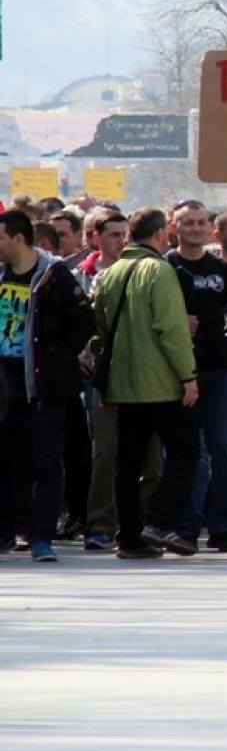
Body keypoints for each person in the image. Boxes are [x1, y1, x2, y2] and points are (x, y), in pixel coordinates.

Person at [92, 207, 201, 560]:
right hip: (161, 382)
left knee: (129, 462)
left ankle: (130, 538)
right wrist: (188, 375)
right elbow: (171, 329)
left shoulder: (111, 273)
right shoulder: (159, 270)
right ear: (158, 236)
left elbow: (102, 332)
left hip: (124, 384)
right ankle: (158, 520)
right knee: (185, 452)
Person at [0, 208, 93, 562]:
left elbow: (85, 321)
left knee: (46, 463)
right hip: (4, 385)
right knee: (8, 461)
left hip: (43, 387)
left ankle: (42, 537)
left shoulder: (53, 277)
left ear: (18, 239)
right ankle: (9, 531)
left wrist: (58, 357)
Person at [165, 202, 227, 552]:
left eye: (200, 223)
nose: (195, 228)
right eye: (188, 223)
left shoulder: (222, 271)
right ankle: (186, 529)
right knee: (191, 453)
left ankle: (224, 527)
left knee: (225, 450)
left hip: (220, 371)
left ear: (210, 229)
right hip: (179, 374)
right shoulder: (166, 268)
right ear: (174, 227)